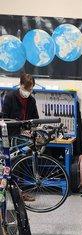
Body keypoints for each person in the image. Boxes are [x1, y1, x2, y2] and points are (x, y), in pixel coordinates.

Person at [2, 72, 39, 201]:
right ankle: (10, 191)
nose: (29, 91)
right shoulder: (10, 97)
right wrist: (18, 125)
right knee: (9, 163)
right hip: (10, 135)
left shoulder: (31, 100)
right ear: (21, 85)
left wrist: (32, 129)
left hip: (23, 136)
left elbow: (35, 119)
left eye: (31, 88)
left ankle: (19, 192)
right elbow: (4, 118)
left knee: (21, 163)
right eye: (27, 88)